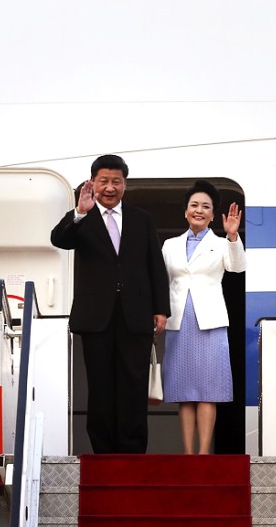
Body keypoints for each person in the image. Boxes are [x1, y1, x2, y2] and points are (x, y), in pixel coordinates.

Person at [50, 154, 169, 453]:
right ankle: (102, 452)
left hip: (135, 315)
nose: (110, 187)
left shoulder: (142, 219)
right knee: (101, 386)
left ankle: (132, 452)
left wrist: (160, 309)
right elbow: (58, 239)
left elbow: (155, 265)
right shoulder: (82, 217)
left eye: (116, 181)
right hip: (96, 317)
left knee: (133, 383)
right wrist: (79, 211)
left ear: (125, 184)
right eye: (104, 181)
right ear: (92, 183)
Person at [161, 180, 246, 454]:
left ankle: (204, 454)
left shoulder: (222, 244)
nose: (199, 210)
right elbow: (160, 281)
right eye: (194, 205)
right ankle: (188, 454)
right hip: (178, 322)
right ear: (185, 211)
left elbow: (237, 267)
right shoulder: (169, 245)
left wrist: (233, 236)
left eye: (206, 207)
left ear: (212, 214)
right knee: (184, 392)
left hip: (209, 322)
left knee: (208, 390)